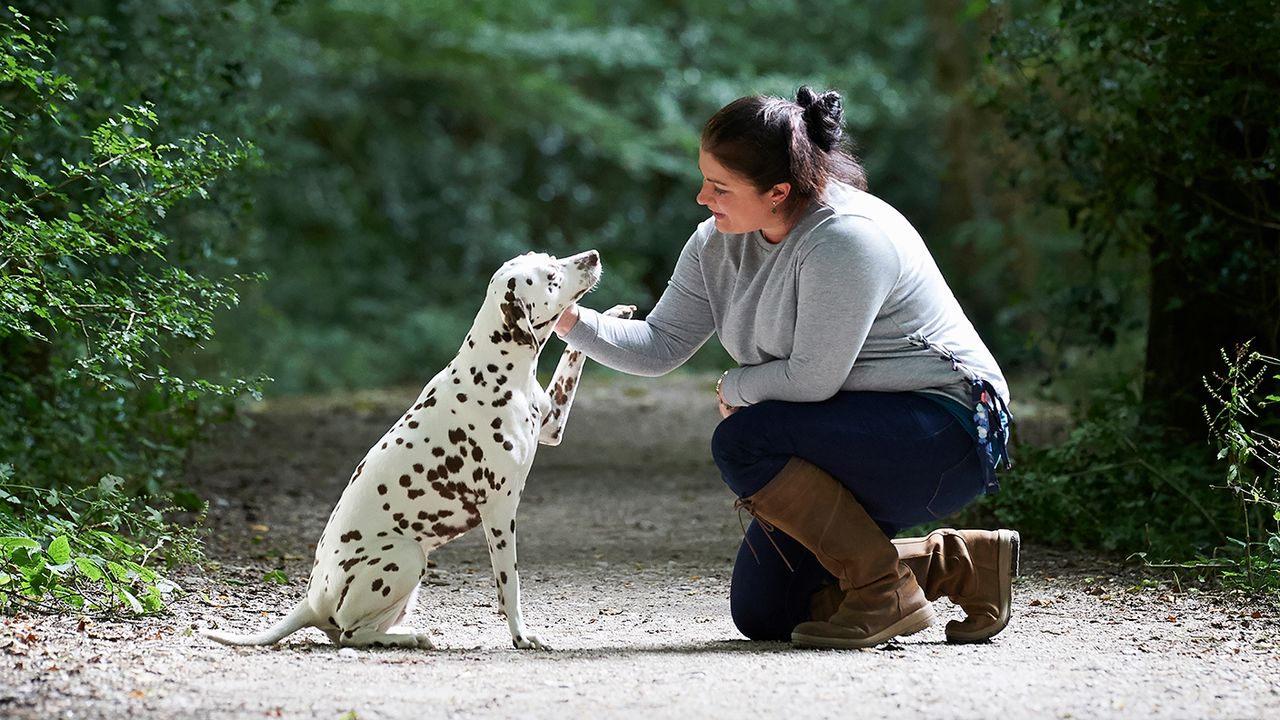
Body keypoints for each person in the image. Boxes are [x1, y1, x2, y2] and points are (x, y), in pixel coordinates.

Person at [553, 86, 1017, 650]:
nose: (702, 197)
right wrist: (570, 320)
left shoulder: (845, 239)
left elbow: (812, 379)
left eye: (720, 187)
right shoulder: (717, 244)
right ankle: (958, 564)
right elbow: (660, 343)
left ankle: (881, 590)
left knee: (745, 439)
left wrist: (737, 386)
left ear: (778, 191)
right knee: (767, 613)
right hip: (852, 430)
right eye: (705, 179)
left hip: (943, 434)